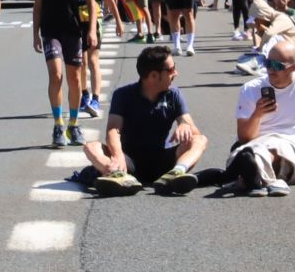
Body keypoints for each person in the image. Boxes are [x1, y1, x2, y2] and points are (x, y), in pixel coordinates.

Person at [71, 44, 207, 196]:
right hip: (129, 162)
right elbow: (113, 130)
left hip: (161, 162)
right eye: (170, 69)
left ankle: (176, 174)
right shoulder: (123, 95)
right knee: (91, 146)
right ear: (153, 75)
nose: (175, 73)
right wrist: (118, 155)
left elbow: (194, 132)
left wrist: (184, 124)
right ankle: (117, 175)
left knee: (200, 139)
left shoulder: (173, 95)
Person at [226, 36, 295, 196]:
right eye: (267, 63)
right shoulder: (250, 89)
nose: (270, 70)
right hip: (256, 142)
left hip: (291, 144)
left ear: (294, 67)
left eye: (276, 66)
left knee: (271, 149)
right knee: (253, 148)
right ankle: (263, 179)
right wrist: (257, 114)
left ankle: (250, 175)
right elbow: (245, 138)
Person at [31, 0, 94, 148]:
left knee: (75, 78)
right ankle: (58, 124)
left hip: (74, 31)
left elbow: (92, 4)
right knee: (56, 75)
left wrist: (92, 30)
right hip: (50, 32)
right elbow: (37, 7)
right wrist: (35, 34)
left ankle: (73, 124)